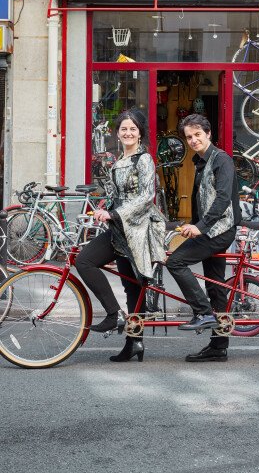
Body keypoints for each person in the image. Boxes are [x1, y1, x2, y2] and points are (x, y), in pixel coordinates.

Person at [75, 109, 166, 362]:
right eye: (124, 129)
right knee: (85, 261)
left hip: (138, 230)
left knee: (133, 287)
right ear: (117, 133)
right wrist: (104, 208)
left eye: (133, 129)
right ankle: (113, 314)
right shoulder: (118, 161)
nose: (128, 133)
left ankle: (134, 342)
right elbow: (118, 196)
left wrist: (114, 214)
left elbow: (146, 197)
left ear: (140, 133)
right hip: (119, 228)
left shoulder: (144, 159)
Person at [166, 114, 241, 362]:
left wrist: (201, 227)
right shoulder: (201, 161)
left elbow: (222, 198)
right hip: (209, 230)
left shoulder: (222, 160)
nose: (193, 140)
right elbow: (202, 200)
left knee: (175, 262)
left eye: (197, 134)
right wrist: (192, 224)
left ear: (208, 134)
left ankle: (203, 312)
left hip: (220, 230)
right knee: (216, 285)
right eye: (189, 137)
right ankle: (219, 347)